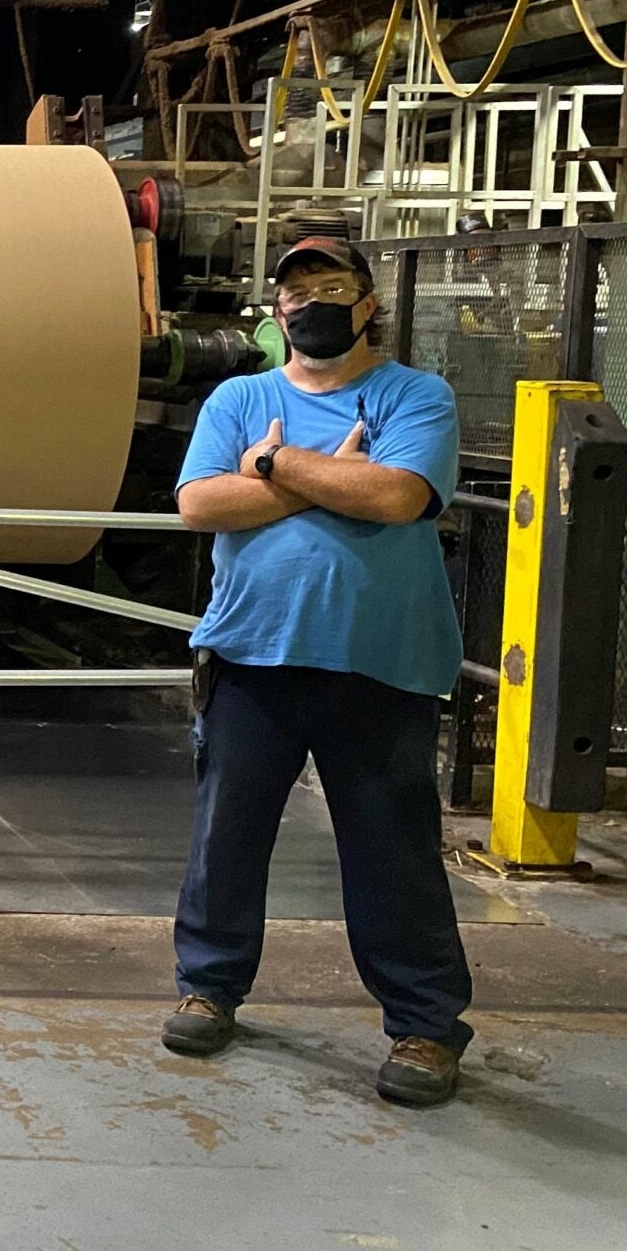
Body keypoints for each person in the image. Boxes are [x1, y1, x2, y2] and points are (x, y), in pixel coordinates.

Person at [168, 235, 474, 1108]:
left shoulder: (416, 395)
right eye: (295, 291)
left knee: (394, 853)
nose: (311, 303)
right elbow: (198, 503)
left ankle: (423, 1027)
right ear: (275, 314)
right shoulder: (239, 394)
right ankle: (208, 987)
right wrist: (332, 473)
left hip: (379, 669)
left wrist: (271, 464)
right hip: (251, 658)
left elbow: (399, 496)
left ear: (368, 303)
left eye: (330, 285)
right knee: (226, 841)